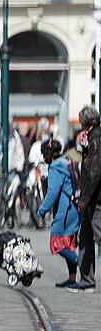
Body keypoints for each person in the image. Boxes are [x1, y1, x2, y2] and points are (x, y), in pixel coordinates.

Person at [36, 140, 82, 289]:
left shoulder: (55, 167)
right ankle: (72, 277)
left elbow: (53, 193)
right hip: (74, 208)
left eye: (44, 154)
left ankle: (81, 264)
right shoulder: (67, 161)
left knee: (56, 243)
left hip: (65, 210)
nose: (43, 158)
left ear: (48, 154)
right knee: (68, 244)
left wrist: (42, 210)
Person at [74, 106, 101, 293]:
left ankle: (87, 280)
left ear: (88, 124)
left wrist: (84, 199)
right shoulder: (91, 139)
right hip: (90, 196)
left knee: (98, 235)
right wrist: (84, 149)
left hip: (95, 198)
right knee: (85, 237)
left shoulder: (97, 139)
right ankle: (86, 280)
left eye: (82, 124)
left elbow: (95, 172)